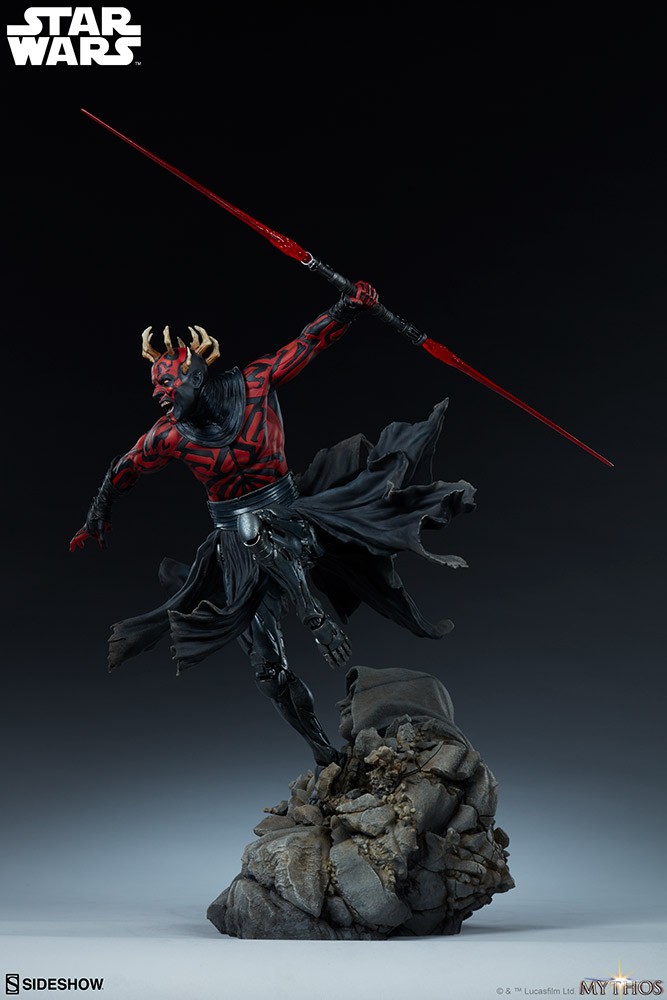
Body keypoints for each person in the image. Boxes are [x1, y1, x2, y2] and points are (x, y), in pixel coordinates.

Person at [70, 281, 476, 766]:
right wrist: (96, 516)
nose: (157, 392)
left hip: (296, 514)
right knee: (267, 668)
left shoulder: (255, 385)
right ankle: (324, 754)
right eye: (155, 384)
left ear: (195, 376)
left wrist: (348, 306)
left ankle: (315, 616)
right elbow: (124, 469)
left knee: (276, 528)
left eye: (166, 382)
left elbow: (308, 342)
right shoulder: (169, 436)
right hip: (236, 545)